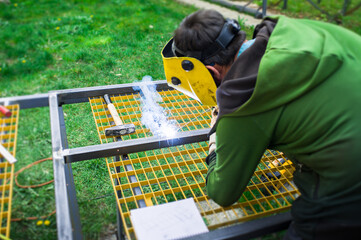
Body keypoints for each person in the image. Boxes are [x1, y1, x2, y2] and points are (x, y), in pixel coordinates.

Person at [161, 9, 361, 240]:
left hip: (352, 178)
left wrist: (215, 137)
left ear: (211, 71)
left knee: (312, 224)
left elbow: (222, 192)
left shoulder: (245, 100)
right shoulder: (289, 30)